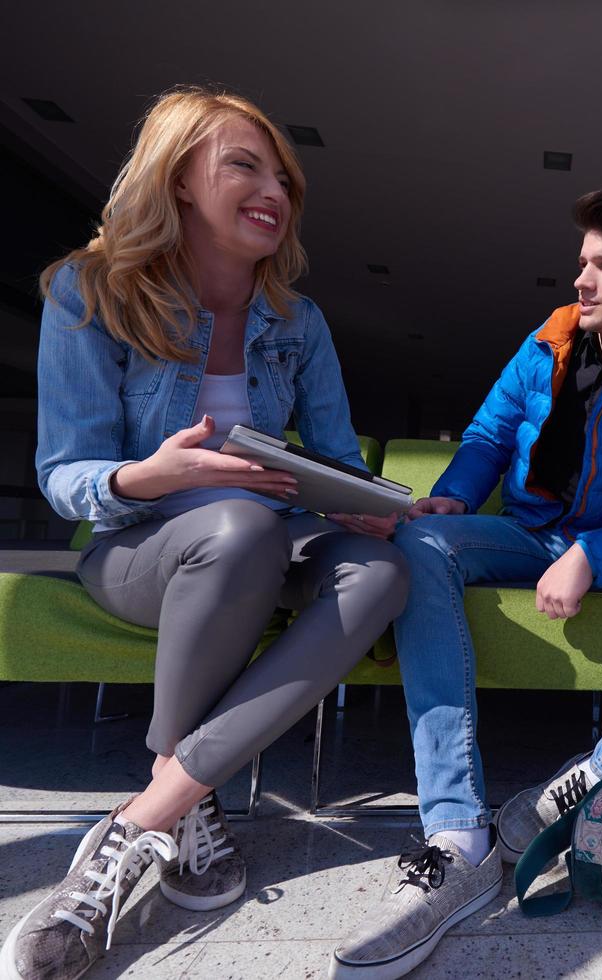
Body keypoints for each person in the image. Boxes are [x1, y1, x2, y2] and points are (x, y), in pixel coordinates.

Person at [3, 87, 409, 980]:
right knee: (235, 523)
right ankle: (178, 810)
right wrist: (161, 472)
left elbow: (338, 458)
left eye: (284, 179)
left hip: (270, 536)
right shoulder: (93, 290)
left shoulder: (299, 324)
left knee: (378, 572)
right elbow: (66, 475)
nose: (274, 191)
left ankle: (153, 810)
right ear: (180, 177)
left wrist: (361, 501)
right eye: (245, 166)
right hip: (136, 547)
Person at [331, 184, 602, 978]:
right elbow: (491, 434)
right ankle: (457, 832)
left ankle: (598, 773)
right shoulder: (545, 344)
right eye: (582, 262)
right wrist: (459, 491)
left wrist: (599, 555)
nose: (582, 279)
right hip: (530, 532)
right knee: (423, 543)